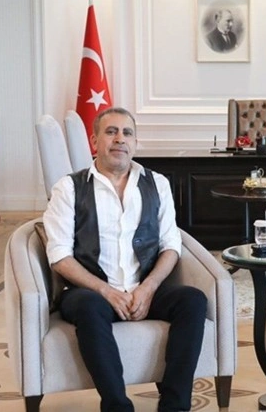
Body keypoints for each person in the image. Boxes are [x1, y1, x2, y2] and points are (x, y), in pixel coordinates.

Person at [43, 107, 207, 412]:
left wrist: (149, 288)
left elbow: (171, 245)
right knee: (89, 307)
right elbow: (60, 256)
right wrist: (106, 291)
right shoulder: (69, 187)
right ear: (95, 141)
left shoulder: (157, 183)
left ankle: (174, 406)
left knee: (193, 301)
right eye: (111, 132)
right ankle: (117, 406)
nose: (120, 139)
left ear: (135, 142)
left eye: (127, 133)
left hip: (143, 288)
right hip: (91, 292)